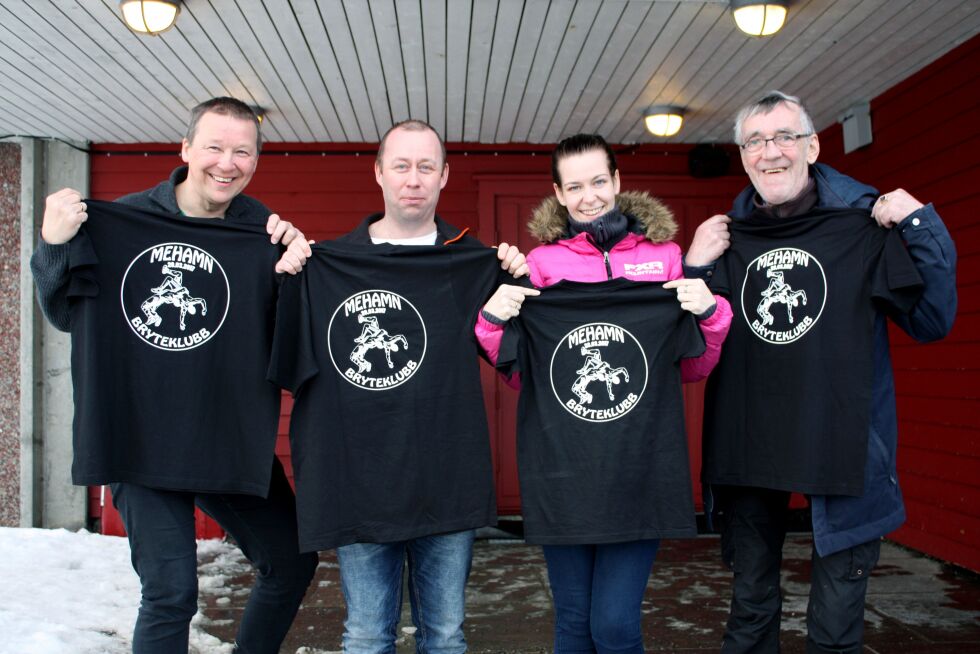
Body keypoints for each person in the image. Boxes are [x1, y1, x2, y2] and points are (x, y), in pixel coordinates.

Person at [30, 97, 319, 654]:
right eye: (214, 147)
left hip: (223, 437)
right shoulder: (120, 223)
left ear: (257, 160)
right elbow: (67, 313)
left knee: (292, 561)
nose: (226, 163)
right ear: (185, 149)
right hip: (139, 438)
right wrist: (54, 245)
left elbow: (287, 344)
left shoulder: (264, 233)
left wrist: (291, 278)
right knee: (170, 593)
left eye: (243, 152)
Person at [685, 90, 957, 653]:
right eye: (755, 141)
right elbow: (688, 350)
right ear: (743, 157)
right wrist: (695, 266)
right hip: (750, 447)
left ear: (812, 146)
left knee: (835, 630)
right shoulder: (726, 243)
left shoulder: (863, 226)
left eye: (784, 136)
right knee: (749, 613)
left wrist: (917, 224)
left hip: (843, 447)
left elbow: (932, 320)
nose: (770, 152)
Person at [475, 133, 733, 653]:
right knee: (572, 626)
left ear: (617, 181)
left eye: (598, 181)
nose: (588, 195)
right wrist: (489, 324)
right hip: (564, 473)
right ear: (559, 192)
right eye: (575, 186)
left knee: (614, 628)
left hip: (638, 470)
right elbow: (526, 376)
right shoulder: (541, 265)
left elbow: (690, 367)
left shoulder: (664, 258)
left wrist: (711, 313)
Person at [321, 119, 527, 654]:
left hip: (447, 480)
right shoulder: (332, 265)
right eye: (401, 166)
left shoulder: (475, 262)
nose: (413, 179)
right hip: (363, 484)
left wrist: (518, 280)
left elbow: (516, 354)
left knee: (445, 637)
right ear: (379, 174)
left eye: (426, 167)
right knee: (367, 637)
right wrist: (291, 270)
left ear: (443, 176)